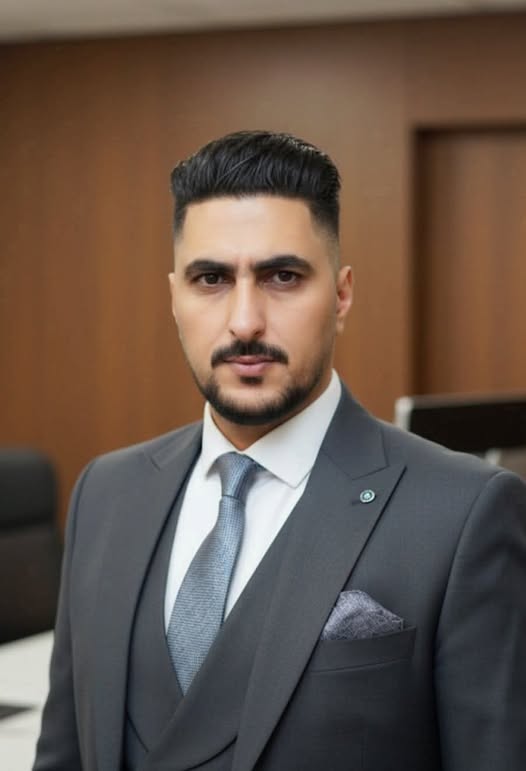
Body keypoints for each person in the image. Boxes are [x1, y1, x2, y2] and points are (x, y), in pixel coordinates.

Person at [34, 130, 526, 771]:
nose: (245, 321)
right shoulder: (106, 492)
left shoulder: (463, 512)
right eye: (211, 278)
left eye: (283, 277)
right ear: (175, 297)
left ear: (341, 295)